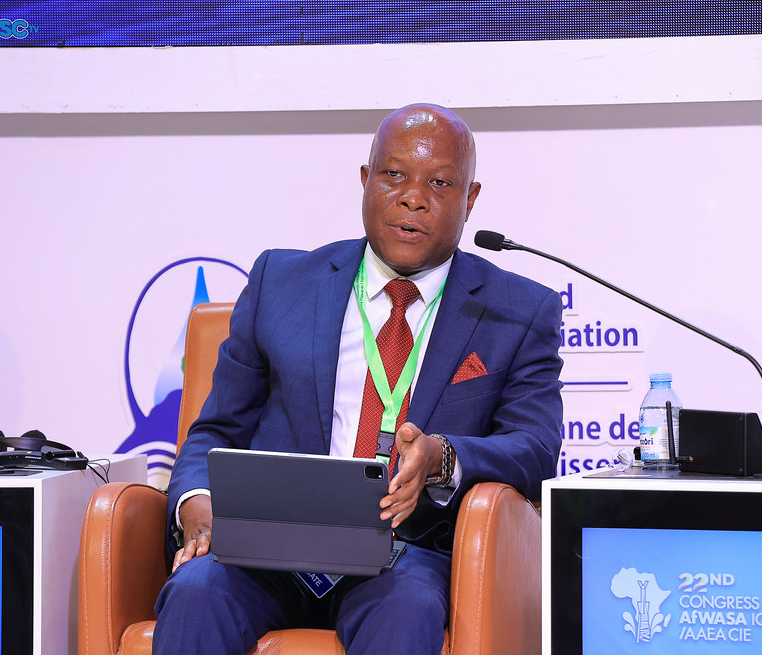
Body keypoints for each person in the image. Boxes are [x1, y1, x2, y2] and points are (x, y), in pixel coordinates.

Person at [154, 103, 563, 654]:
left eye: (440, 183)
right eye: (394, 175)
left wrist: (443, 458)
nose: (413, 197)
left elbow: (534, 448)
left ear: (470, 200)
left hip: (405, 552)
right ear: (367, 180)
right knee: (196, 591)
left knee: (406, 608)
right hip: (269, 544)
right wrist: (196, 501)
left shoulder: (518, 311)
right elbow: (216, 430)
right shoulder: (280, 282)